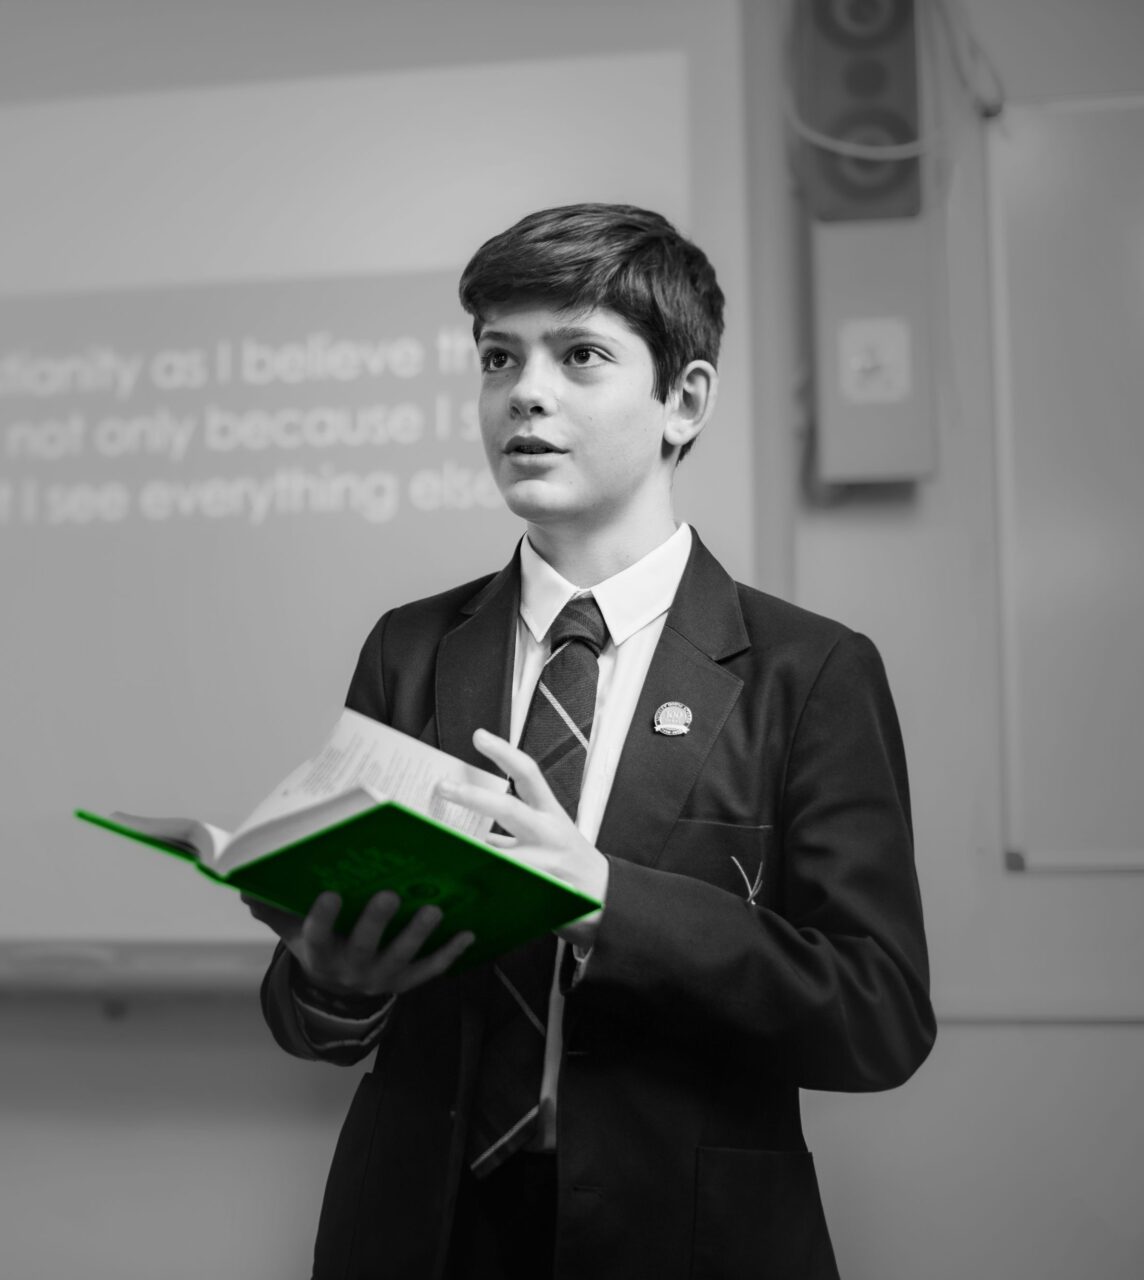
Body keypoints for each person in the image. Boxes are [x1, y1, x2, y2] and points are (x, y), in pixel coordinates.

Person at [244, 203, 934, 1279]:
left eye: (580, 356)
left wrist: (611, 900)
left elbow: (880, 1017)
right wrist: (335, 979)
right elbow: (312, 1020)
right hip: (423, 1237)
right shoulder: (413, 647)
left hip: (686, 1241)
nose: (525, 391)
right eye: (498, 358)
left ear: (682, 400)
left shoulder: (811, 673)